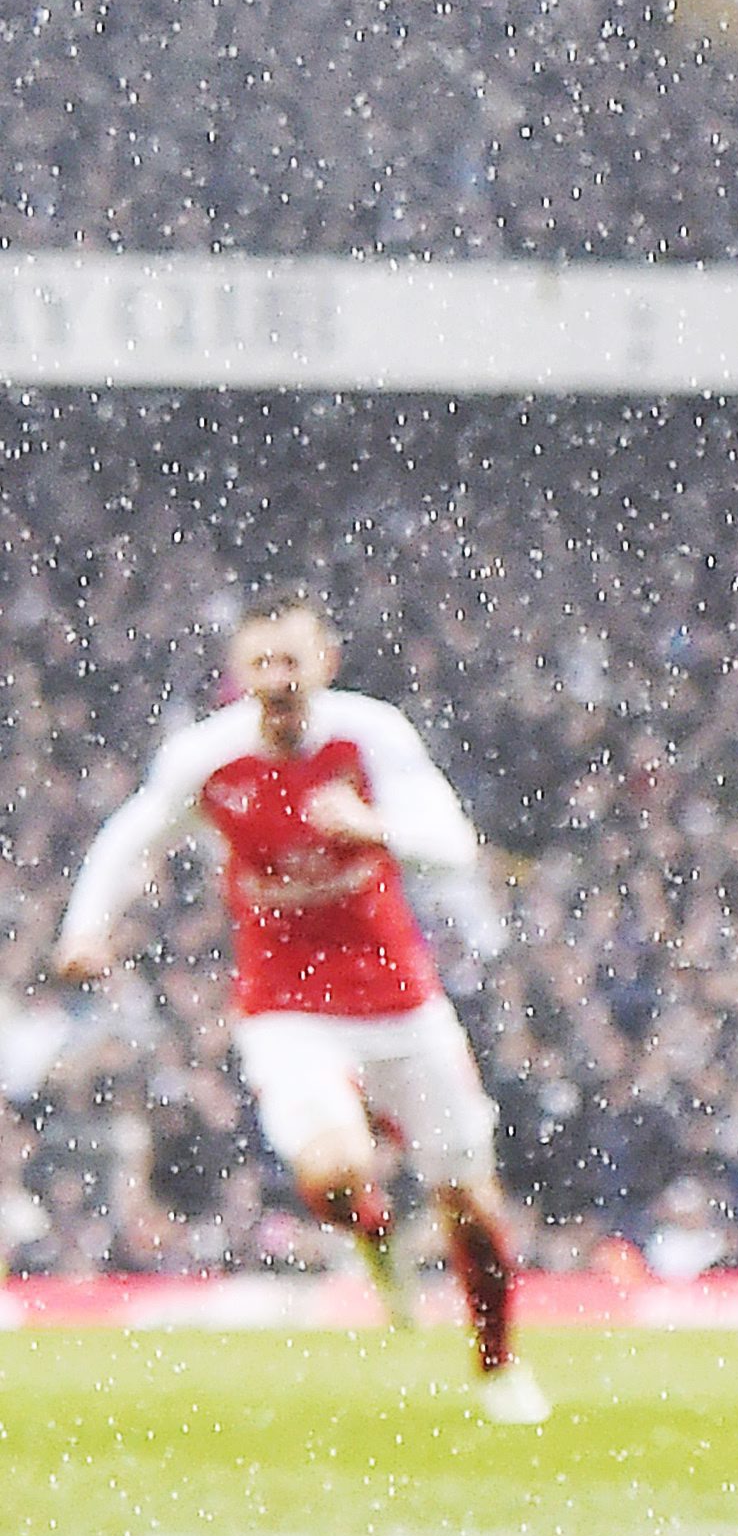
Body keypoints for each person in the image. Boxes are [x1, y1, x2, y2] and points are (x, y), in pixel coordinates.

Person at [52, 594, 548, 1425]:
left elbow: (454, 844)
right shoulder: (208, 757)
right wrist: (85, 927)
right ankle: (375, 1236)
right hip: (286, 1004)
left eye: (292, 660)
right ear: (237, 674)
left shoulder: (372, 735)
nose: (277, 679)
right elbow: (132, 837)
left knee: (468, 1200)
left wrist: (374, 827)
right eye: (261, 663)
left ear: (326, 664)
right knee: (332, 1172)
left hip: (399, 997)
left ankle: (498, 1365)